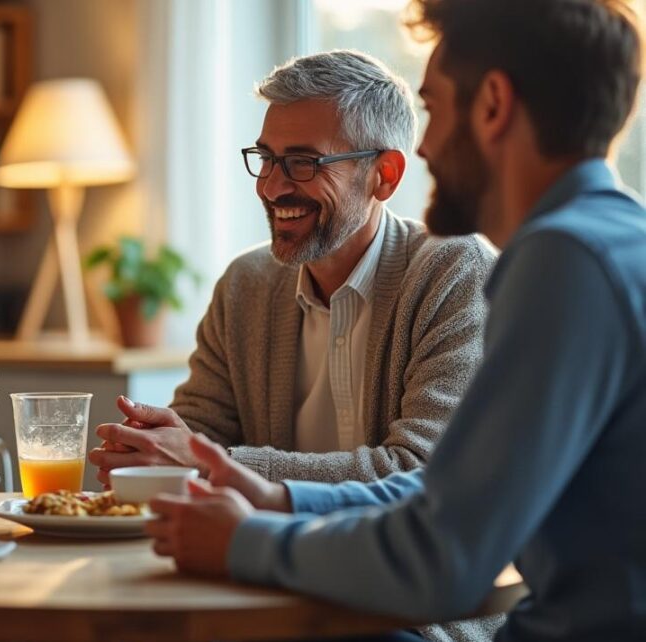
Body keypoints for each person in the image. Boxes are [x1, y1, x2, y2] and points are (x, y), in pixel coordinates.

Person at [147, 1, 646, 640]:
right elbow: (448, 494)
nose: (426, 146)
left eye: (432, 108)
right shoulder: (610, 243)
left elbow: (445, 556)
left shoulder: (564, 262)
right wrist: (282, 499)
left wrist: (246, 541)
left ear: (494, 105)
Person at [92, 52, 495, 484]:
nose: (271, 187)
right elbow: (196, 433)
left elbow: (422, 473)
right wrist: (152, 445)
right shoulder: (245, 285)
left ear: (385, 175)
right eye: (266, 158)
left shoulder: (455, 273)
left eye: (303, 163)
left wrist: (209, 463)